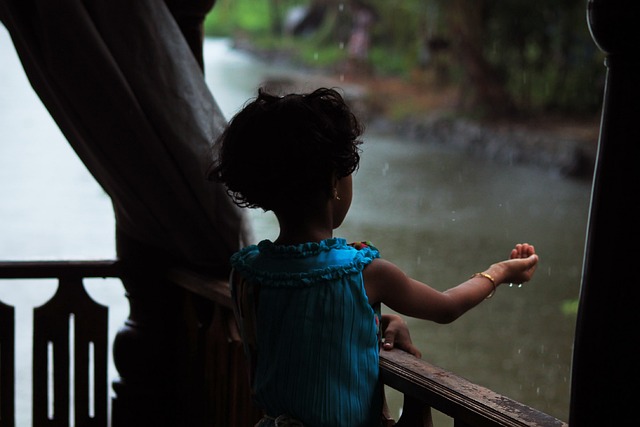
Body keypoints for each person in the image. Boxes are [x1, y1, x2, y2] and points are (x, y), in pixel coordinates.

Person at [209, 87, 538, 427]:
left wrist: (370, 323)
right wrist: (499, 272)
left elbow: (299, 332)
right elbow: (446, 307)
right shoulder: (363, 274)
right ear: (334, 180)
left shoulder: (248, 274)